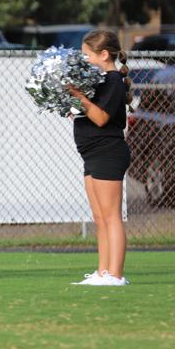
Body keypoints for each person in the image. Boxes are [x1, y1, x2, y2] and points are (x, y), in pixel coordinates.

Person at [68, 29, 131, 287]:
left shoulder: (113, 80)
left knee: (111, 216)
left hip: (108, 152)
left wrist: (78, 97)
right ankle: (103, 271)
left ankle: (116, 274)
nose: (84, 60)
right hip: (92, 154)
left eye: (87, 55)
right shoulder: (99, 80)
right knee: (100, 217)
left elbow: (102, 118)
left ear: (104, 54)